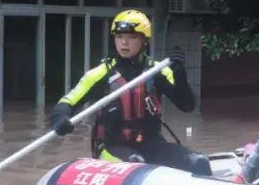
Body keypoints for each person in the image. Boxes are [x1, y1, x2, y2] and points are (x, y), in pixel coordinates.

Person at [49, 9, 212, 175]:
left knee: (199, 162)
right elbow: (68, 102)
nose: (124, 43)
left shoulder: (158, 71)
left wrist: (179, 74)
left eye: (132, 37)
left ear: (144, 41)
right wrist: (59, 118)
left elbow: (187, 105)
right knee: (138, 166)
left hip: (152, 144)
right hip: (112, 147)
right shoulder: (101, 74)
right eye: (119, 37)